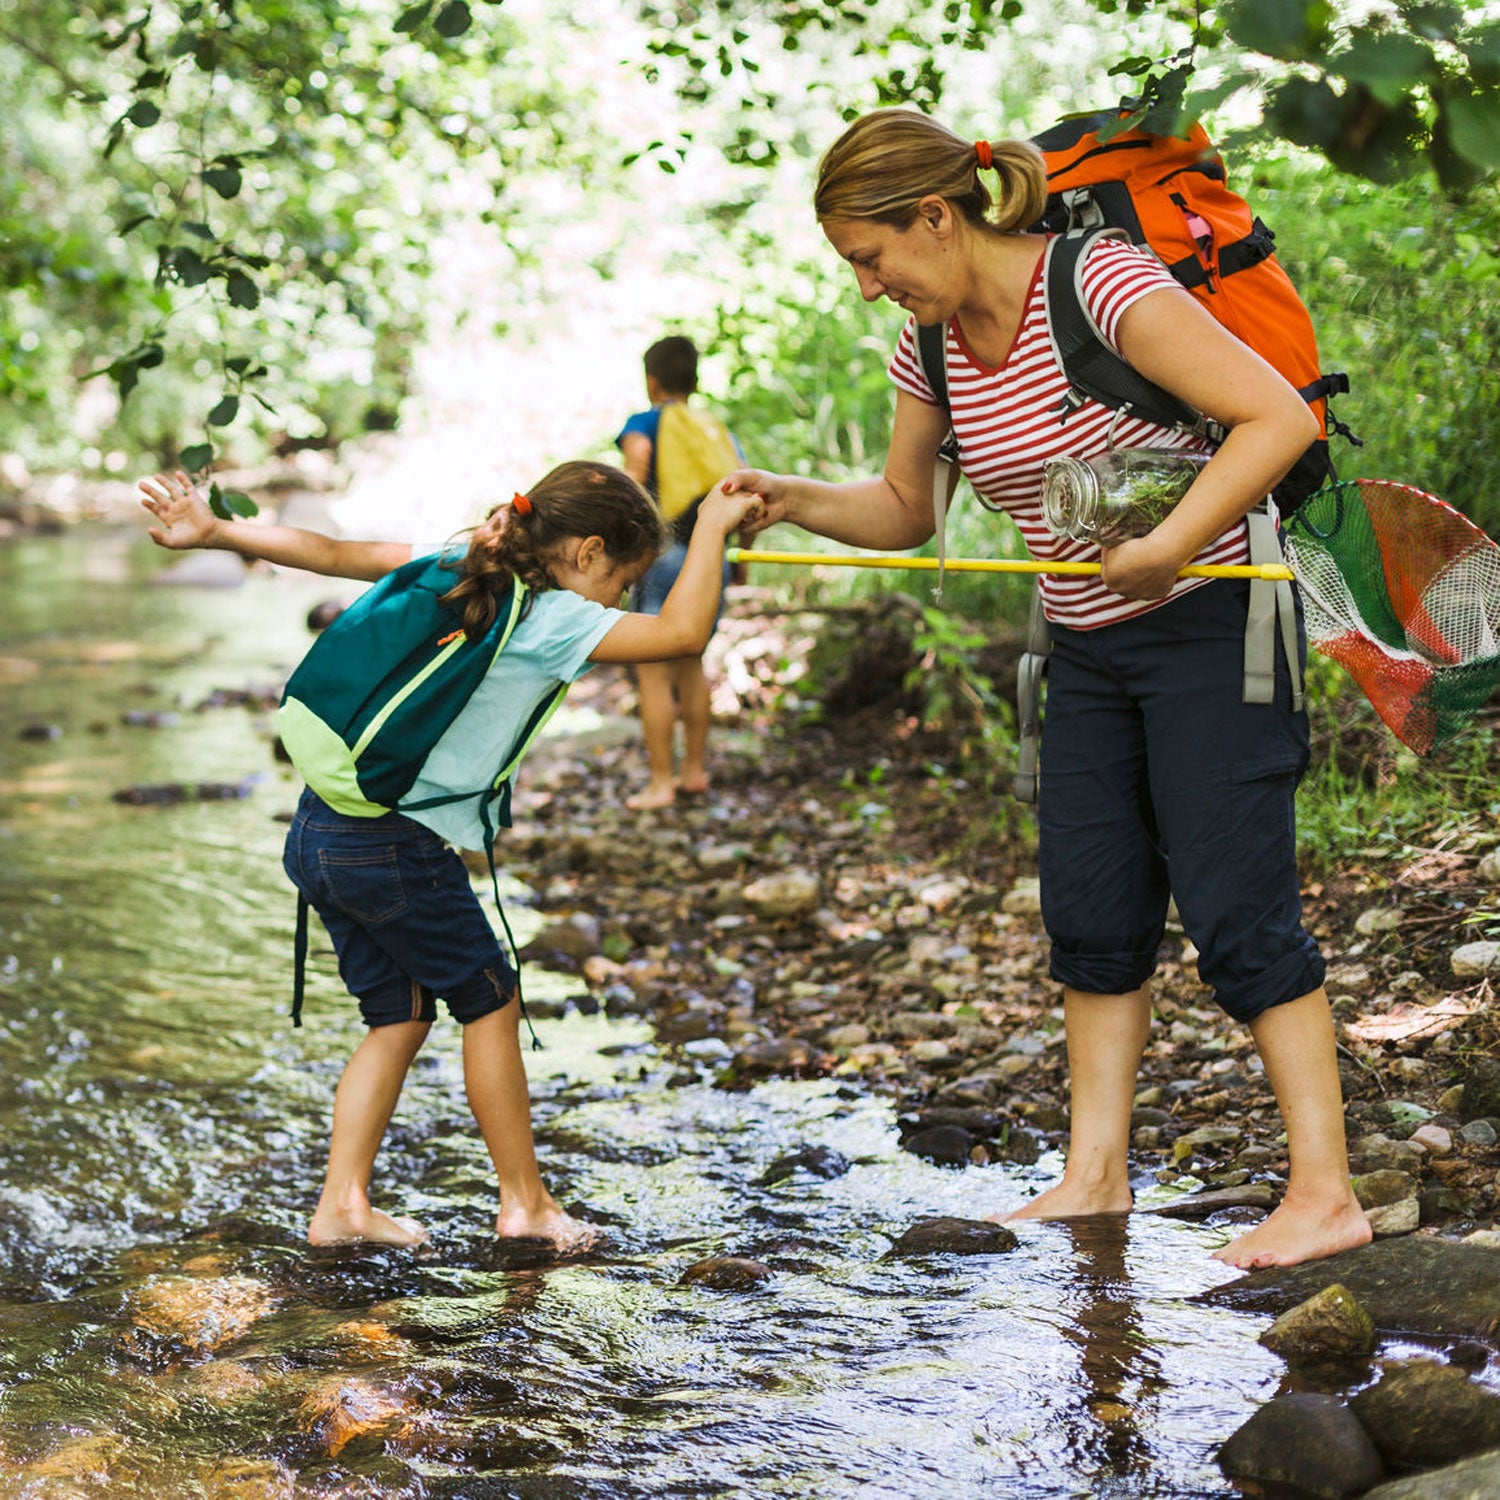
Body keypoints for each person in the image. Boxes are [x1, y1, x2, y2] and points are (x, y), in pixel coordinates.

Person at [725, 108, 1371, 1270]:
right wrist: (789, 496)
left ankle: (1325, 1193)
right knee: (1092, 909)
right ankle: (1094, 1176)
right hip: (1084, 653)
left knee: (1236, 911)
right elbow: (905, 510)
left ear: (936, 215)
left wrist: (1175, 539)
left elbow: (1273, 417)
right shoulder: (925, 350)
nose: (870, 288)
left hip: (1211, 629)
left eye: (872, 258)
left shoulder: (1101, 285)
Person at [138, 461, 759, 1252]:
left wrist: (217, 530)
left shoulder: (463, 560)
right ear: (588, 551)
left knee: (397, 1016)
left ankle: (343, 1206)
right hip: (393, 846)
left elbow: (329, 552)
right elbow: (683, 635)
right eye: (627, 581)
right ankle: (526, 1205)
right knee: (491, 998)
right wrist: (708, 527)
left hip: (322, 828)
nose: (623, 602)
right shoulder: (555, 619)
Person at [615, 335, 742, 810]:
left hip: (664, 556)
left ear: (651, 380)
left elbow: (634, 473)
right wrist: (739, 555)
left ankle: (660, 782)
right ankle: (694, 773)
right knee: (691, 664)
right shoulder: (714, 428)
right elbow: (744, 490)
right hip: (713, 558)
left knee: (652, 670)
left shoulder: (644, 421)